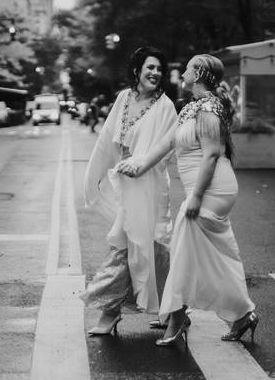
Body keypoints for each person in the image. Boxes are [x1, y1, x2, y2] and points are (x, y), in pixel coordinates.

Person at [116, 53, 258, 346]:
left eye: (189, 67)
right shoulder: (191, 108)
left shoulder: (207, 107)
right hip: (204, 190)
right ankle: (242, 314)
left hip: (212, 191)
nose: (182, 72)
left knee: (181, 252)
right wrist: (137, 165)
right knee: (215, 258)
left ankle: (178, 317)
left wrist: (195, 196)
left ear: (200, 74)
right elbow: (166, 144)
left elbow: (211, 155)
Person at [81, 47, 178, 336]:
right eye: (150, 67)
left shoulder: (166, 107)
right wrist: (95, 174)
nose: (155, 73)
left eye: (159, 69)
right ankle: (117, 312)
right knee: (126, 243)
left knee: (154, 245)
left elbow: (165, 152)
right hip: (126, 186)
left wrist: (140, 165)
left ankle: (168, 311)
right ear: (137, 70)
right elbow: (107, 141)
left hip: (151, 187)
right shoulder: (123, 98)